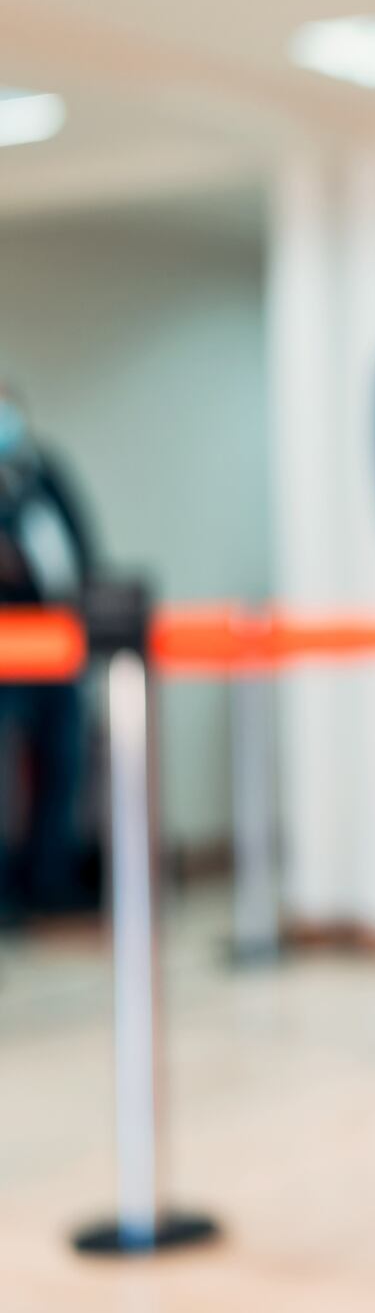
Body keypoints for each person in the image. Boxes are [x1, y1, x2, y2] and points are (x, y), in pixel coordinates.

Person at [0, 386, 96, 926]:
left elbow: (79, 539)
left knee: (64, 763)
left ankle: (50, 881)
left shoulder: (43, 471)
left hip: (60, 643)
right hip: (7, 651)